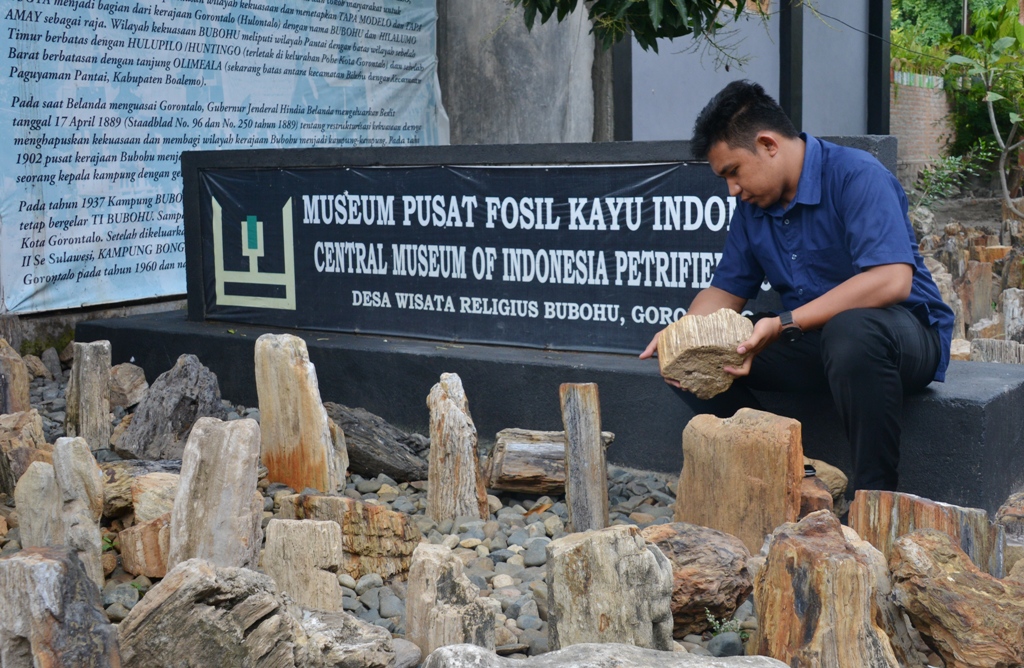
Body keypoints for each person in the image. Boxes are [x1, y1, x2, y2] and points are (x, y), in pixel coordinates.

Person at [639, 80, 954, 498]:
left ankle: (875, 499)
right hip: (815, 342)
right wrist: (682, 334)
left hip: (902, 339)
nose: (732, 189)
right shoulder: (754, 209)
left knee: (852, 331)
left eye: (733, 172)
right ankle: (796, 475)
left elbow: (891, 280)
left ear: (768, 144)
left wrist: (785, 322)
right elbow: (724, 293)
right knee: (691, 361)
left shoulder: (856, 175)